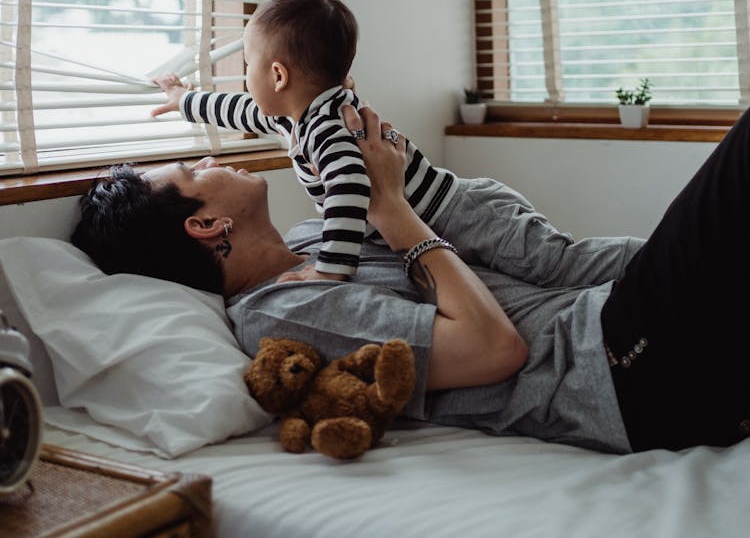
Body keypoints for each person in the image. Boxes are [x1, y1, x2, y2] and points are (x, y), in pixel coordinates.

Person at [71, 102, 750, 455]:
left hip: (623, 316)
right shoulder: (278, 313)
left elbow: (528, 251)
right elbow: (495, 349)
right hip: (619, 374)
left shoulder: (317, 237)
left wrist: (419, 181)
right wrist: (395, 212)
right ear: (206, 224)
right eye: (193, 171)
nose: (209, 156)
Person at [149, 0, 583, 286]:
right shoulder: (295, 118)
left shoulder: (327, 128)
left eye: (247, 65)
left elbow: (351, 188)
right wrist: (185, 100)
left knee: (561, 265)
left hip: (469, 215)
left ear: (278, 75)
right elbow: (241, 111)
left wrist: (332, 269)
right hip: (451, 222)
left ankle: (642, 259)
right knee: (545, 277)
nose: (244, 77)